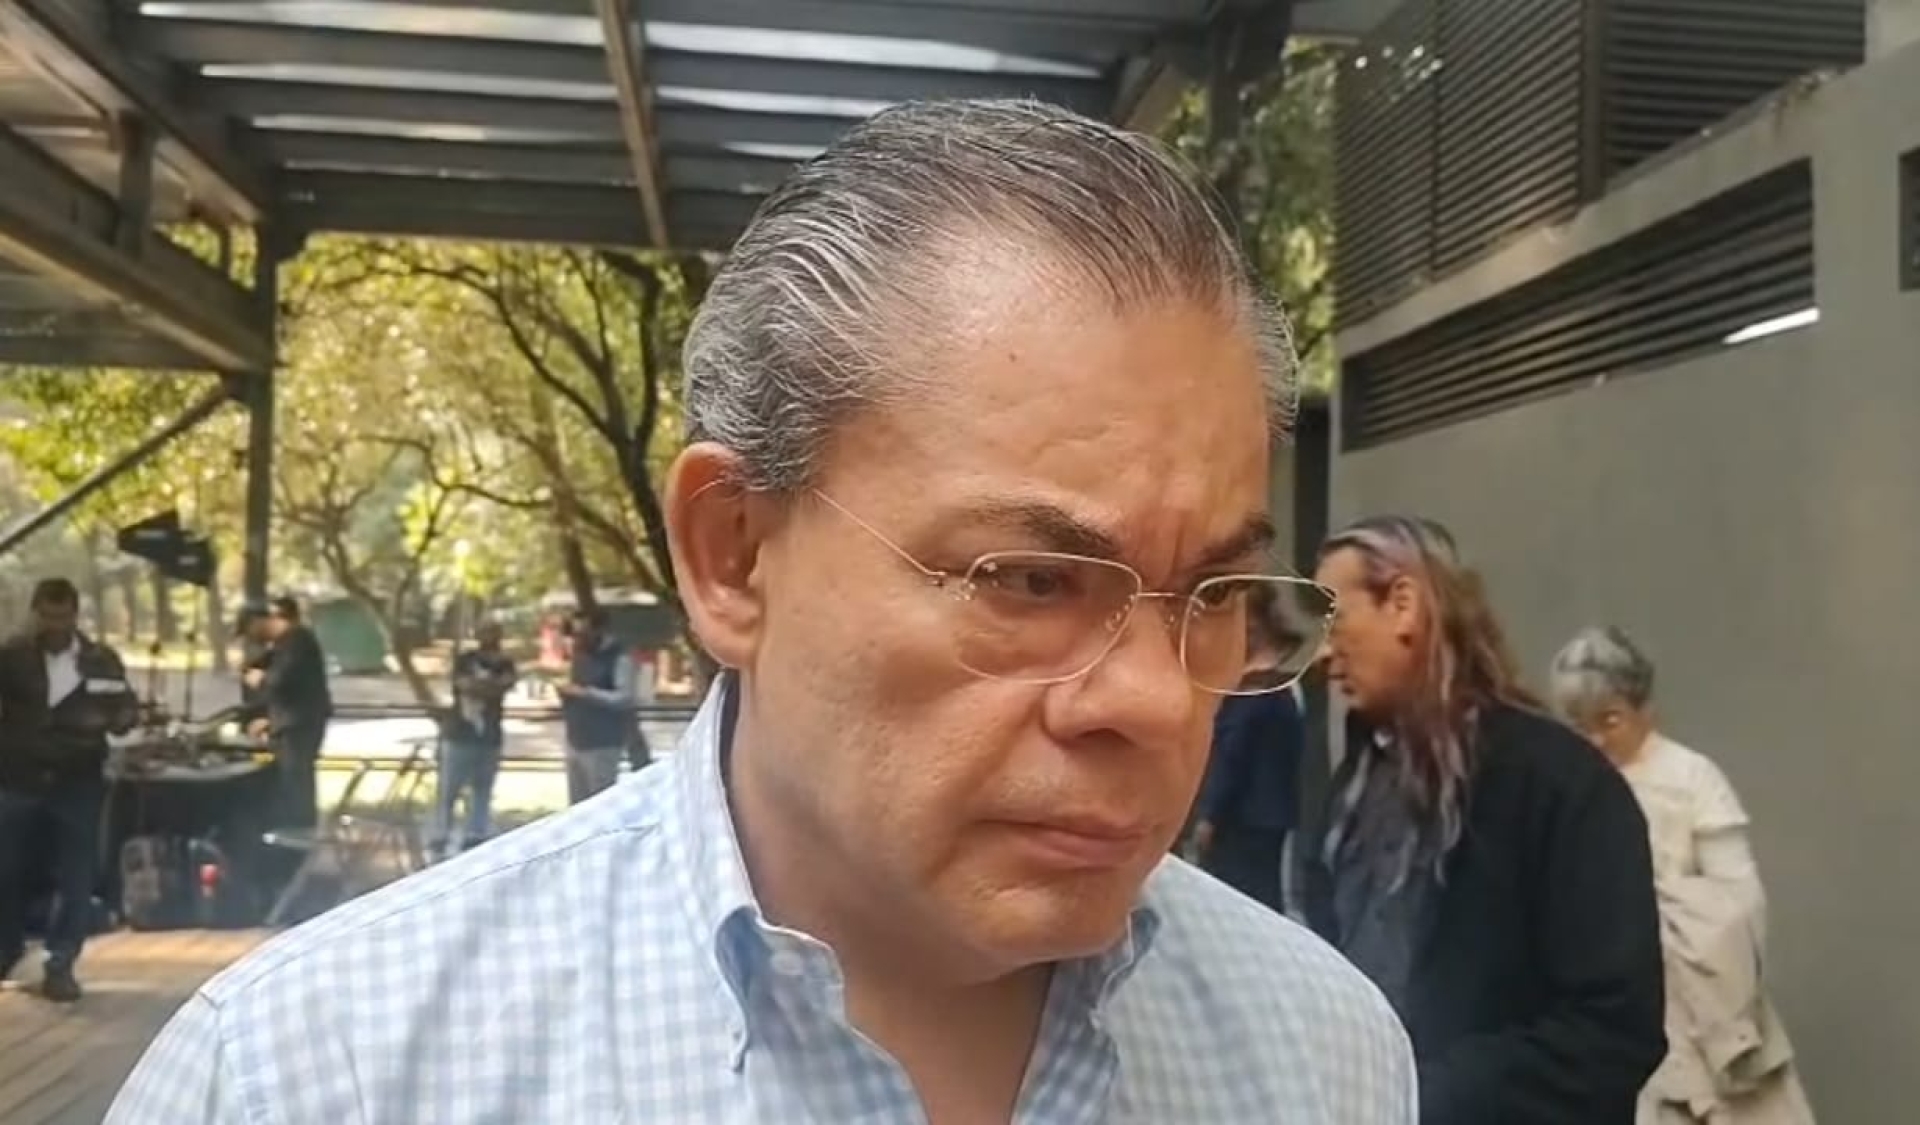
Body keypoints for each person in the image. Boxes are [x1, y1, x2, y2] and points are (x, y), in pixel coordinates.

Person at [107, 99, 1415, 1123]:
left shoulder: (1322, 1053)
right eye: (1029, 581)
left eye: (1215, 595)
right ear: (733, 555)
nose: (1153, 700)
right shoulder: (316, 1077)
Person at [1303, 515, 1668, 1124]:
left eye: (1335, 618)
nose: (1322, 654)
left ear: (1403, 604)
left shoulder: (1557, 783)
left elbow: (1612, 1030)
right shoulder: (1350, 790)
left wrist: (1425, 1097)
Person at [1551, 627, 1814, 1125]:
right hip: (1608, 1000)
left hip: (1699, 996)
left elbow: (1741, 897)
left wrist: (1668, 914)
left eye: (1610, 720)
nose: (1597, 740)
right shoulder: (1566, 788)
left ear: (1644, 710)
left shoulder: (1691, 778)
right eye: (1580, 726)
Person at [0, 578, 139, 1002]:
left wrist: (116, 718)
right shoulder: (11, 657)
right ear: (35, 613)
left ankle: (60, 963)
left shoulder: (100, 660)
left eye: (62, 617)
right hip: (19, 777)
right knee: (7, 870)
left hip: (77, 780)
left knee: (76, 876)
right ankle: (6, 951)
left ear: (75, 616)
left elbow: (125, 710)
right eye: (47, 616)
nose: (54, 626)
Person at [1190, 582, 1310, 912]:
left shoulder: (1255, 689)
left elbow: (1231, 756)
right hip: (1271, 812)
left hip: (1243, 816)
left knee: (1241, 898)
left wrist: (1210, 815)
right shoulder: (1284, 687)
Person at [241, 595, 332, 829]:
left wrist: (260, 680)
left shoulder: (298, 641)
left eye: (250, 631)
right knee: (289, 779)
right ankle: (293, 825)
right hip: (289, 722)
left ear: (260, 621)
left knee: (296, 780)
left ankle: (300, 828)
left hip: (300, 723)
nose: (251, 638)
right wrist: (267, 719)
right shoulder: (283, 645)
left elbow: (283, 681)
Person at [435, 620, 517, 856]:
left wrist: (482, 686)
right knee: (448, 790)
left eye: (492, 632)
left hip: (489, 737)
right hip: (459, 735)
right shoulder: (465, 660)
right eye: (484, 632)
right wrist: (488, 686)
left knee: (482, 790)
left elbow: (504, 685)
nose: (488, 637)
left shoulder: (506, 663)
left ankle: (475, 837)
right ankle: (441, 837)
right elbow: (464, 685)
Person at [555, 606, 636, 803]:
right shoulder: (580, 654)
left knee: (600, 804)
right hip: (575, 740)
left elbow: (624, 698)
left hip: (603, 743)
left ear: (600, 630)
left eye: (583, 633)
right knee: (576, 806)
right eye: (574, 634)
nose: (577, 639)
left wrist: (586, 693)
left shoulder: (620, 657)